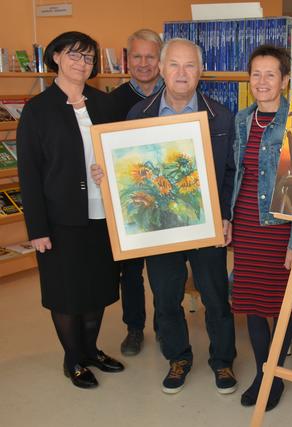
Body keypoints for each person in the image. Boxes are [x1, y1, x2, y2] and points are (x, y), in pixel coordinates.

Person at [92, 37, 237, 395]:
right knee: (166, 297)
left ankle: (223, 361)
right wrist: (107, 174)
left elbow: (233, 171)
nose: (181, 73)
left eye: (189, 65)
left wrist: (226, 215)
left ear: (200, 72)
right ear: (161, 68)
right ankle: (178, 357)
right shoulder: (138, 115)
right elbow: (131, 168)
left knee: (216, 296)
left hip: (208, 226)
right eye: (174, 64)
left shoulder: (221, 115)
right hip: (160, 230)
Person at [17, 31, 124, 389]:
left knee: (98, 288)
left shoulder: (104, 103)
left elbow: (118, 154)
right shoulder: (38, 110)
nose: (83, 63)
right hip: (60, 219)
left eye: (89, 58)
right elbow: (29, 173)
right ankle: (73, 359)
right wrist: (37, 229)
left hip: (103, 215)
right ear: (57, 57)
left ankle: (91, 350)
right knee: (66, 292)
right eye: (75, 55)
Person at [230, 45, 292, 411]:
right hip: (246, 225)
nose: (262, 81)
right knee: (253, 304)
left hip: (279, 230)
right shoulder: (242, 119)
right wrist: (228, 220)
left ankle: (275, 374)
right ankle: (262, 372)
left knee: (282, 305)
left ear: (284, 80)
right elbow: (237, 174)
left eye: (270, 74)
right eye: (256, 74)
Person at [110, 29, 165, 357]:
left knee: (163, 269)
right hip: (127, 203)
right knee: (130, 271)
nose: (144, 64)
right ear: (127, 59)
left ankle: (165, 324)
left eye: (150, 57)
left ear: (159, 60)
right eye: (137, 56)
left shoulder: (173, 96)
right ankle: (134, 328)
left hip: (163, 199)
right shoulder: (111, 102)